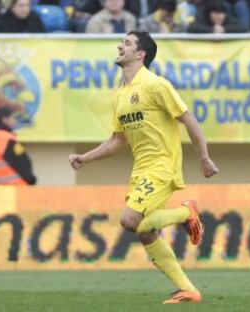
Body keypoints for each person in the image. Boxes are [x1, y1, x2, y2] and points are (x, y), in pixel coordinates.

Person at [69, 31, 219, 304]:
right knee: (145, 229)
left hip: (162, 165)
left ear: (141, 54)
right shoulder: (121, 95)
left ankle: (187, 212)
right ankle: (188, 290)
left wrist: (204, 158)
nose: (119, 46)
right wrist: (85, 158)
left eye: (126, 43)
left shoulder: (156, 85)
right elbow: (117, 140)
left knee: (129, 220)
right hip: (141, 169)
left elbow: (189, 120)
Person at [0, 107, 37, 185]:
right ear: (4, 119)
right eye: (13, 117)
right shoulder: (9, 141)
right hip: (15, 189)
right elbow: (23, 163)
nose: (15, 120)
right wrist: (31, 180)